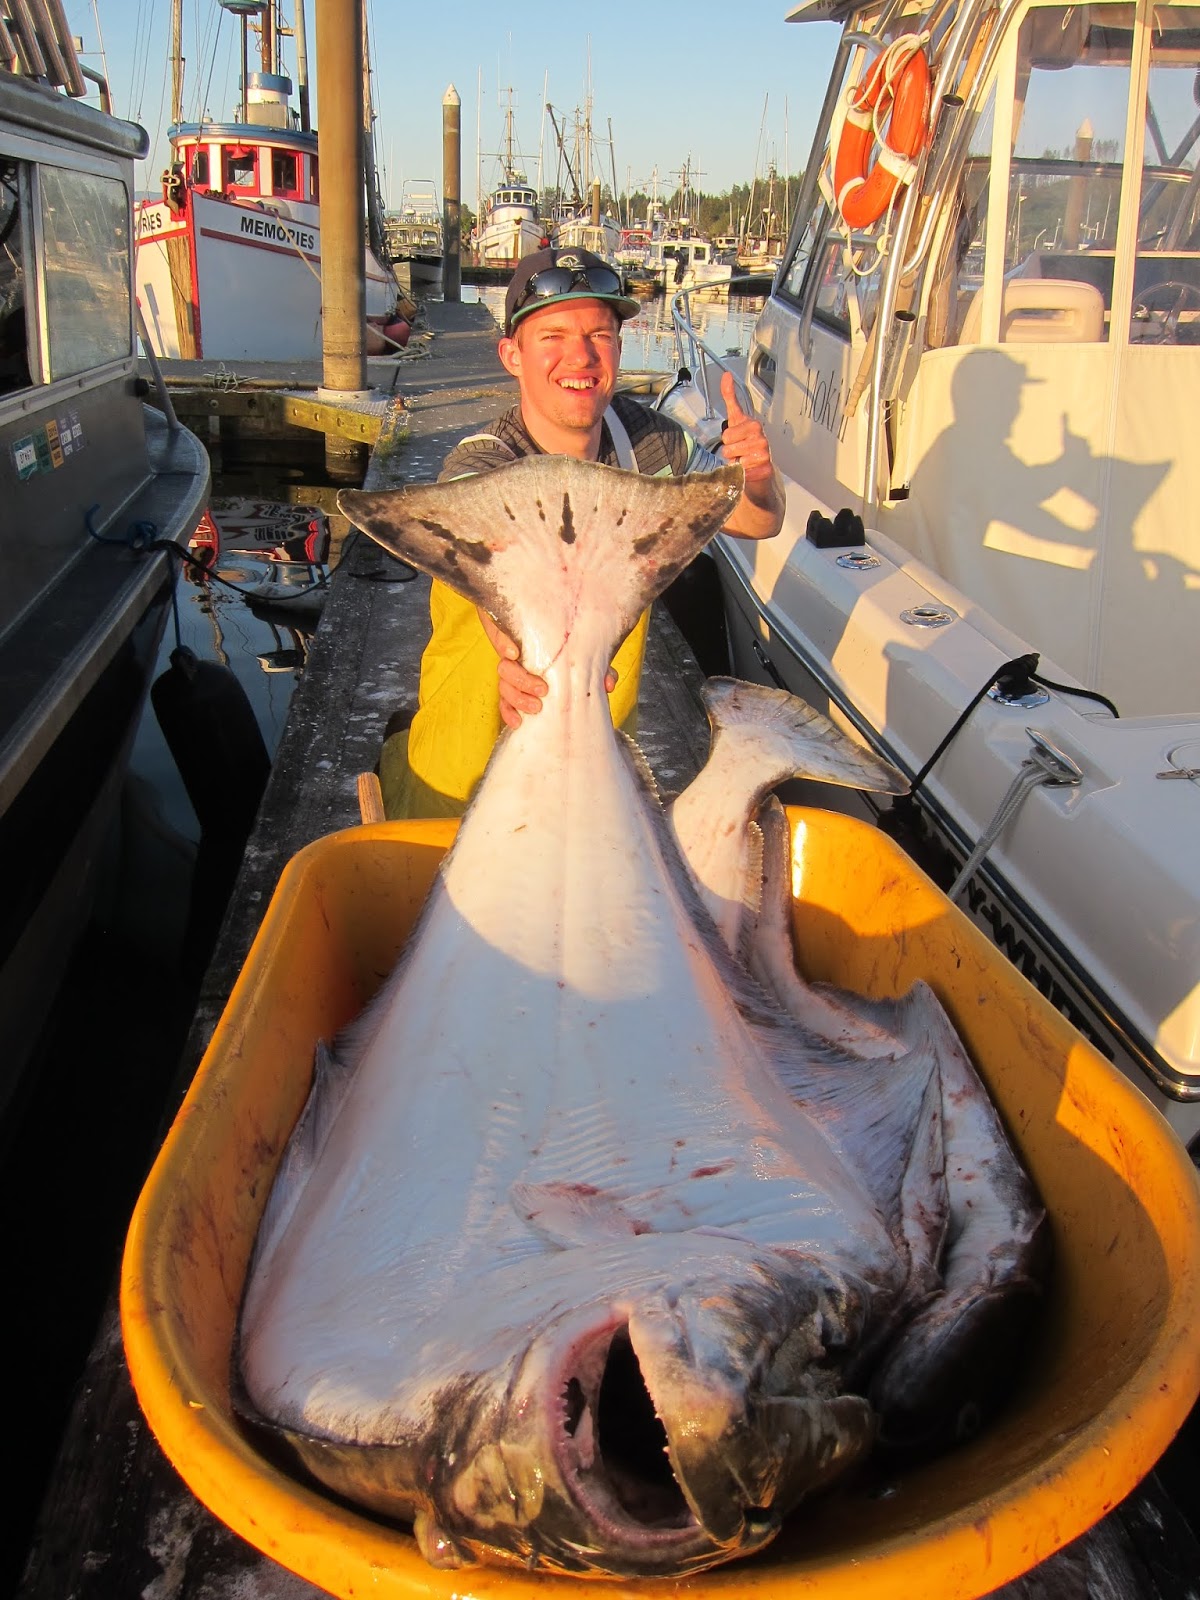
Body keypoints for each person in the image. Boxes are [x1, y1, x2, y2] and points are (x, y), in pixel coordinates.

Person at [380, 245, 784, 818]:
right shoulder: (480, 466)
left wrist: (758, 480)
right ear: (512, 355)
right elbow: (484, 582)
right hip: (460, 779)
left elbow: (757, 522)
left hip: (593, 767)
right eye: (553, 337)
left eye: (600, 335)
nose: (581, 356)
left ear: (619, 348)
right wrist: (514, 654)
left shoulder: (653, 447)